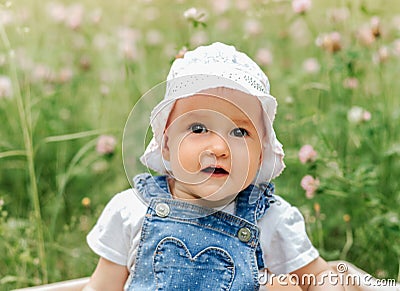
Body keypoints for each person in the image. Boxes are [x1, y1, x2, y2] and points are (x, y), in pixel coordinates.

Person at [83, 42, 344, 291]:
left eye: (240, 132)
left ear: (261, 153)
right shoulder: (132, 210)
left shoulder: (270, 220)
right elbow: (102, 285)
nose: (220, 147)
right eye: (198, 129)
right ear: (166, 145)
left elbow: (319, 276)